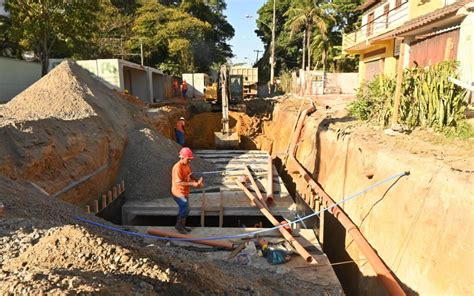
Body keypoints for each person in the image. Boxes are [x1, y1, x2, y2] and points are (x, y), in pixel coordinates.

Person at [171, 147, 204, 234]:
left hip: (184, 192)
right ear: (182, 157)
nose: (189, 161)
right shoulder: (177, 168)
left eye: (190, 159)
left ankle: (182, 226)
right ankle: (179, 226)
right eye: (188, 159)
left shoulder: (186, 165)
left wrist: (197, 182)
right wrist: (193, 184)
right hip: (178, 193)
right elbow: (179, 183)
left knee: (183, 209)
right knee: (186, 209)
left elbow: (190, 175)